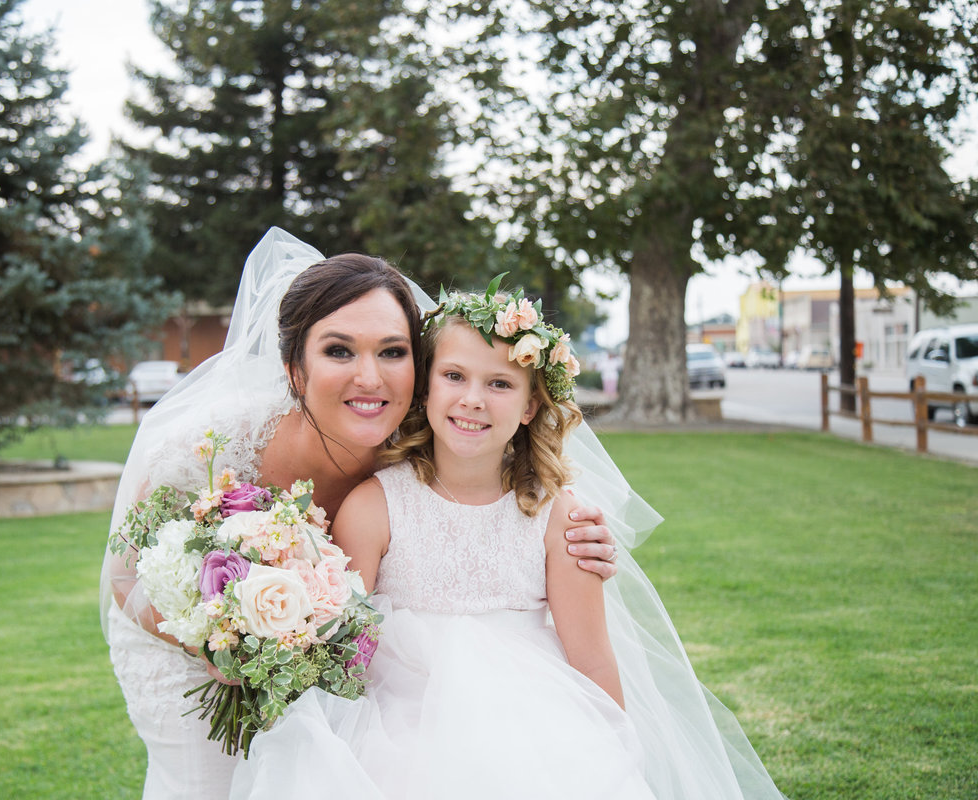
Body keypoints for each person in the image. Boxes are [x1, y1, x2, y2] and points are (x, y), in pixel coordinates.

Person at [99, 229, 621, 799]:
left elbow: (498, 501)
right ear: (294, 368)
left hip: (352, 689)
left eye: (393, 352)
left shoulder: (433, 436)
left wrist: (580, 539)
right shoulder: (212, 444)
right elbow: (125, 576)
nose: (369, 378)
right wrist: (217, 641)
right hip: (190, 658)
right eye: (339, 350)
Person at [230, 284, 789, 800]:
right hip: (397, 732)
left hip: (537, 731)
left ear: (528, 407)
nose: (474, 399)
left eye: (499, 384)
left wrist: (617, 755)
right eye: (455, 376)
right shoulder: (374, 507)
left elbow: (592, 657)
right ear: (425, 389)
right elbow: (341, 648)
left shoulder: (558, 516)